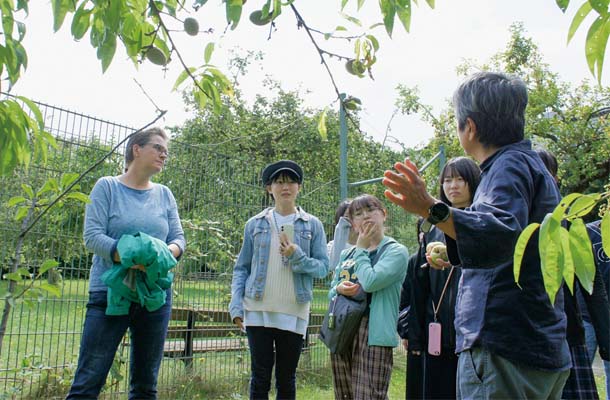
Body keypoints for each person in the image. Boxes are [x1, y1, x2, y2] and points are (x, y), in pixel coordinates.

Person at [383, 72, 571, 399]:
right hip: (535, 341)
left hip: (505, 347)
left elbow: (497, 231)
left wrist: (430, 207)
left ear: (469, 127)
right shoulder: (529, 167)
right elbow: (512, 245)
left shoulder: (506, 167)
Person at [67, 127, 186, 399]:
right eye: (157, 147)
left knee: (145, 386)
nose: (164, 153)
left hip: (154, 295)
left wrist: (160, 255)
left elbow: (179, 239)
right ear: (137, 149)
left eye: (166, 150)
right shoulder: (107, 186)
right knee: (88, 381)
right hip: (109, 295)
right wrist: (133, 258)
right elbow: (93, 237)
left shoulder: (165, 194)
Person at [229, 160, 329, 400]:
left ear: (299, 187)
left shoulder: (312, 225)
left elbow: (323, 268)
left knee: (286, 377)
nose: (286, 186)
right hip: (258, 307)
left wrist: (297, 256)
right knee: (260, 376)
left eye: (291, 181)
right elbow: (241, 268)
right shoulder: (254, 224)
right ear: (269, 188)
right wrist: (236, 305)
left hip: (294, 309)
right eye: (279, 181)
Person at [536, 149, 610, 399]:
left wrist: (606, 342)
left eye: (549, 174)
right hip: (527, 336)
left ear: (555, 179)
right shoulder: (513, 219)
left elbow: (593, 286)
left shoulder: (569, 225)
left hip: (567, 333)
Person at [407, 157, 480, 400]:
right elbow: (419, 284)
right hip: (437, 328)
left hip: (473, 333)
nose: (453, 186)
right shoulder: (431, 226)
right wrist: (413, 333)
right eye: (448, 180)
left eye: (461, 179)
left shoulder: (482, 221)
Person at [328, 194, 409, 399]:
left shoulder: (396, 252)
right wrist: (339, 289)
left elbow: (371, 281)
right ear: (353, 224)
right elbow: (331, 291)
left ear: (384, 214)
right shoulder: (347, 255)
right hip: (343, 329)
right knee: (344, 395)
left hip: (374, 333)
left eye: (370, 210)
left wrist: (361, 249)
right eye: (358, 214)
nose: (365, 216)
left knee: (370, 395)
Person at [328, 199, 358, 270]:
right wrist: (340, 230)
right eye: (347, 216)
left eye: (356, 215)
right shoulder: (332, 245)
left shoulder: (370, 244)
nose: (351, 220)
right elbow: (333, 265)